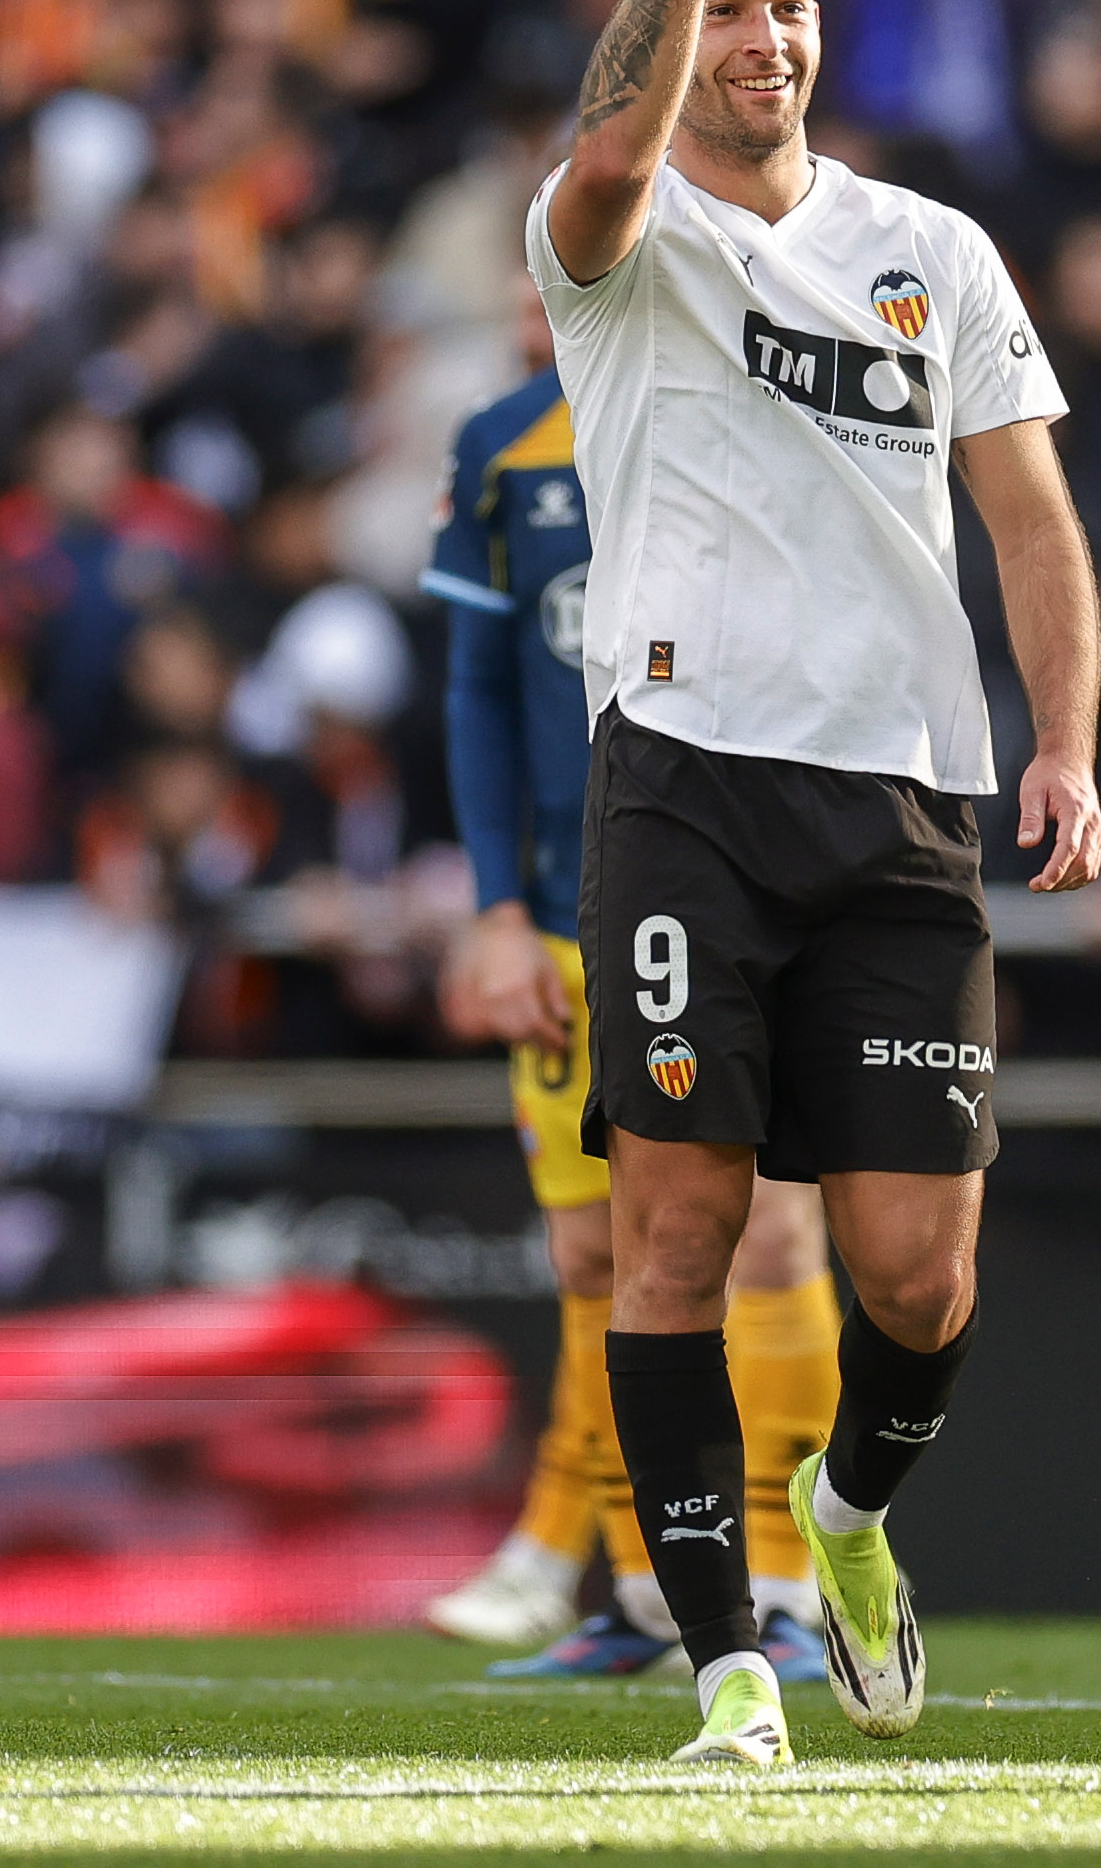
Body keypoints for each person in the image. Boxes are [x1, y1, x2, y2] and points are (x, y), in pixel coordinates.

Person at [529, 0, 1100, 1765]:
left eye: (791, 5)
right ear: (672, 20)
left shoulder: (927, 252)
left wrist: (1065, 741)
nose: (766, 38)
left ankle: (848, 1514)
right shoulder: (608, 239)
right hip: (680, 775)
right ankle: (727, 1670)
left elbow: (1028, 514)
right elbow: (610, 150)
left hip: (901, 803)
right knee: (673, 1230)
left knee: (917, 1272)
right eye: (730, 6)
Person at [419, 277, 840, 1684]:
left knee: (769, 1242)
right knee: (600, 1258)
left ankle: (786, 1590)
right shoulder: (502, 446)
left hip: (732, 902)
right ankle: (643, 1595)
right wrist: (489, 910)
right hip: (557, 920)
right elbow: (478, 687)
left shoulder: (759, 418)